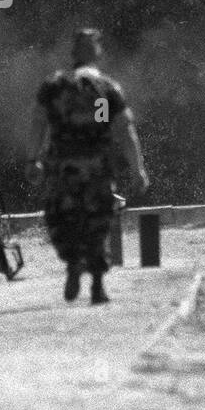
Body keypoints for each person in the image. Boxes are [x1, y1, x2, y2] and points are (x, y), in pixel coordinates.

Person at [28, 29, 149, 304]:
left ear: (72, 54)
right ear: (98, 54)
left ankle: (73, 263)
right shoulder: (107, 90)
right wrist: (137, 168)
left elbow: (37, 122)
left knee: (62, 218)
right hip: (97, 168)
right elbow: (124, 129)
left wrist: (31, 158)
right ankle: (97, 283)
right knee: (98, 223)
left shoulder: (54, 86)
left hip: (63, 167)